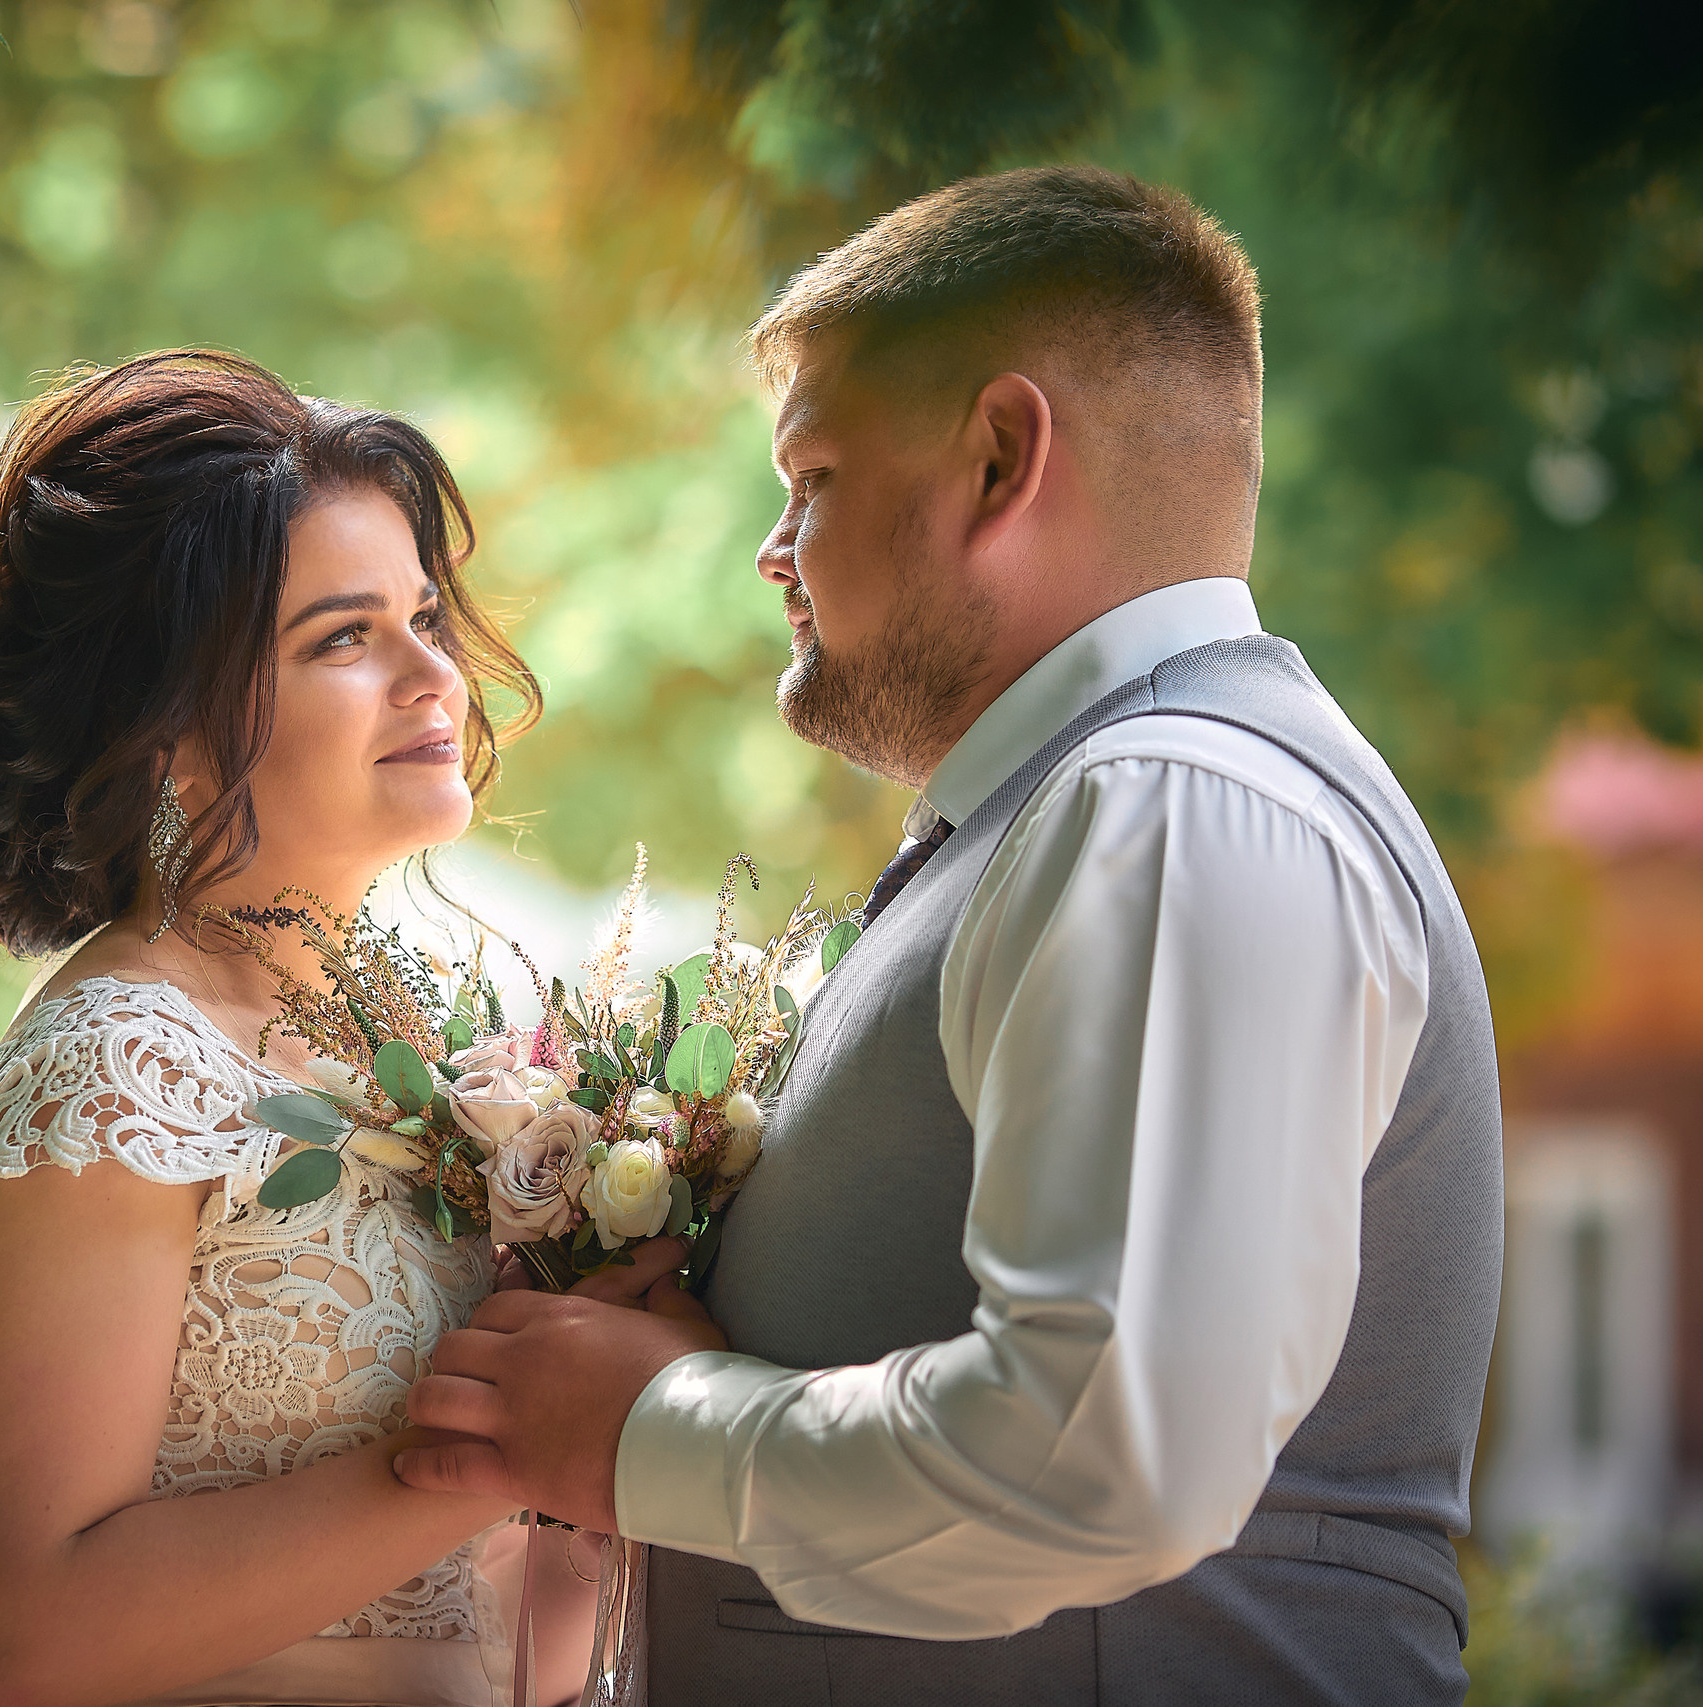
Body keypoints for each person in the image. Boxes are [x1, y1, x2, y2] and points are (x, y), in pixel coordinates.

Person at [394, 166, 1505, 1704]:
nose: (773, 554)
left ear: (999, 458)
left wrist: (645, 1434)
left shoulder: (1172, 806)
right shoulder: (1080, 814)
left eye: (815, 479)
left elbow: (1102, 1455)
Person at [0, 350, 616, 1707]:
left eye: (424, 613)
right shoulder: (120, 1070)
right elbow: (17, 1638)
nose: (434, 672)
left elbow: (469, 1637)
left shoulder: (439, 1043)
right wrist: (497, 1449)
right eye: (344, 636)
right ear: (170, 736)